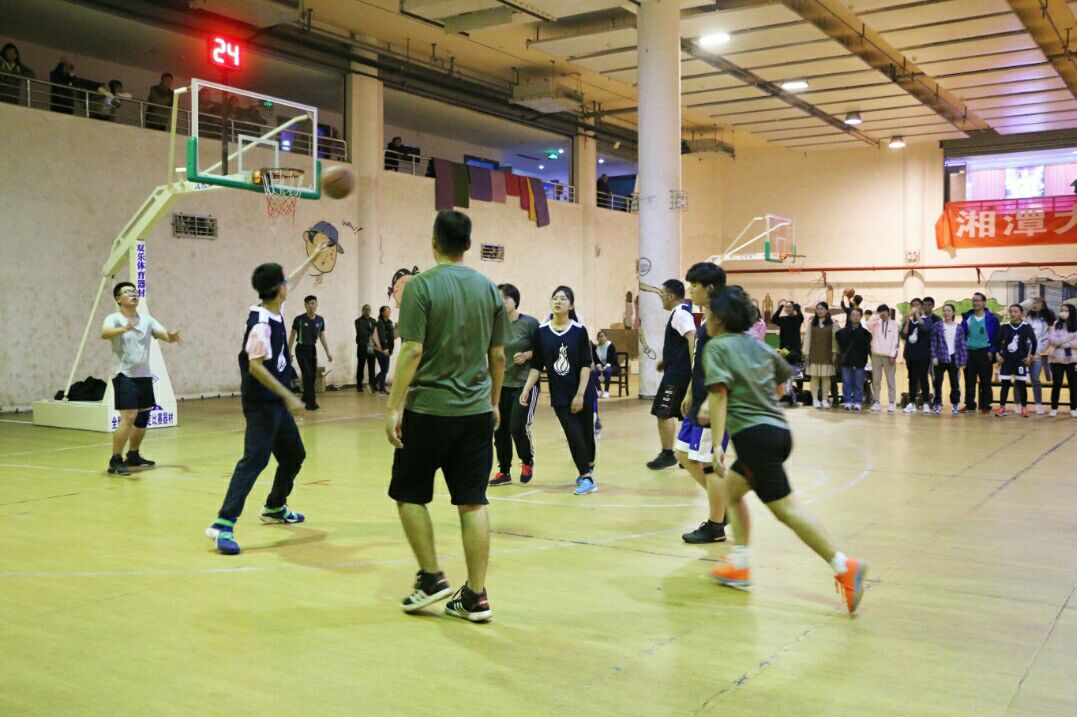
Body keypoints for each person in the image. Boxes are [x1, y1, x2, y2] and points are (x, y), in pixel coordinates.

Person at [703, 286, 866, 615]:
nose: (705, 318)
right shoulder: (758, 345)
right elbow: (781, 385)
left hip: (754, 439)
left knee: (786, 511)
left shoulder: (717, 347)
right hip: (778, 432)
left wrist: (717, 444)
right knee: (731, 491)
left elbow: (719, 396)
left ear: (718, 318)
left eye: (707, 312)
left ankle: (843, 565)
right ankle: (740, 565)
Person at [385, 210, 506, 622]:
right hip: (476, 413)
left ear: (434, 240)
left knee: (409, 494)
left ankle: (431, 577)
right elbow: (498, 355)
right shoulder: (489, 289)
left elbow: (412, 350)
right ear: (468, 245)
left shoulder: (420, 286)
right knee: (473, 501)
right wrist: (493, 403)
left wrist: (394, 406)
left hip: (428, 411)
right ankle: (475, 596)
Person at [205, 245, 331, 555]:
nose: (289, 284)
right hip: (262, 404)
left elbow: (293, 278)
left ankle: (274, 507)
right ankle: (223, 523)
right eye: (284, 283)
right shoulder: (261, 324)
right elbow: (255, 367)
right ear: (279, 290)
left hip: (275, 403)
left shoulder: (274, 308)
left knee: (294, 455)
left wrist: (313, 256)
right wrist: (289, 396)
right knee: (255, 460)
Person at [520, 286, 598, 495]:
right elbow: (536, 365)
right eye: (555, 298)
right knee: (573, 435)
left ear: (571, 305)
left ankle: (588, 466)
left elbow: (586, 365)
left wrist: (580, 394)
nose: (558, 301)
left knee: (586, 435)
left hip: (582, 391)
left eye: (563, 299)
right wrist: (526, 389)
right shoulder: (542, 332)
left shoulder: (579, 331)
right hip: (560, 394)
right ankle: (586, 477)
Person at [99, 282, 181, 476]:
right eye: (127, 292)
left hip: (144, 375)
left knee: (143, 417)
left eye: (134, 291)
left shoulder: (147, 320)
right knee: (128, 417)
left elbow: (164, 335)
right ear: (118, 299)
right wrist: (123, 329)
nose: (133, 294)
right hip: (124, 374)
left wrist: (171, 337)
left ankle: (133, 455)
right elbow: (104, 333)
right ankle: (115, 460)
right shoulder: (114, 318)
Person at [675, 262, 729, 544]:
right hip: (698, 399)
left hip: (713, 403)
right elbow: (699, 362)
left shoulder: (722, 322)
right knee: (682, 453)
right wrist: (689, 392)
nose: (691, 291)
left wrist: (712, 400)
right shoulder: (706, 320)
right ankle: (723, 506)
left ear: (710, 288)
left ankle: (716, 525)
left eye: (694, 286)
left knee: (710, 463)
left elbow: (725, 367)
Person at [489, 283, 540, 487]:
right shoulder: (495, 324)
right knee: (499, 428)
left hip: (524, 383)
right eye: (498, 298)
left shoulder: (530, 324)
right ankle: (504, 471)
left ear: (515, 300)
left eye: (505, 298)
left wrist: (527, 355)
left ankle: (527, 461)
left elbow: (543, 352)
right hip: (501, 384)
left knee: (517, 426)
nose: (501, 302)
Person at [647, 280, 697, 469]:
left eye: (661, 294)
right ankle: (689, 454)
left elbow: (692, 337)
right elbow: (681, 343)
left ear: (670, 296)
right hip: (677, 370)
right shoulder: (681, 313)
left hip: (678, 375)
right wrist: (665, 361)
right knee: (684, 411)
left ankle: (668, 454)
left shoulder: (680, 313)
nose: (661, 298)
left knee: (663, 411)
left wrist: (694, 366)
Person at [289, 295, 332, 411]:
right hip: (301, 349)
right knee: (307, 375)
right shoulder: (299, 319)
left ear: (316, 305)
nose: (311, 306)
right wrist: (288, 351)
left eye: (313, 303)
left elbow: (322, 335)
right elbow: (292, 335)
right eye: (308, 304)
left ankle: (304, 397)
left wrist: (328, 352)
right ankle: (311, 403)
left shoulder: (320, 320)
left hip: (312, 349)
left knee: (312, 376)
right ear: (305, 305)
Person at [994, 304, 1036, 417]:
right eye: (1011, 311)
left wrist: (1030, 356)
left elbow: (1034, 342)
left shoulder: (1026, 327)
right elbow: (997, 341)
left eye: (1016, 311)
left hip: (1020, 361)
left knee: (1021, 385)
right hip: (1006, 360)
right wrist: (997, 354)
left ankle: (1024, 408)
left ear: (1021, 313)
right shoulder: (1004, 326)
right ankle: (1002, 408)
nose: (1013, 313)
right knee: (1005, 385)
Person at [961, 292, 1000, 414]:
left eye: (978, 300)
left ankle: (986, 405)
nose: (975, 303)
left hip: (985, 353)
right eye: (973, 300)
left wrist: (992, 350)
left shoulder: (992, 319)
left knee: (985, 381)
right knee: (969, 380)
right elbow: (961, 336)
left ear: (984, 302)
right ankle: (970, 405)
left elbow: (996, 337)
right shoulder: (967, 318)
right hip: (969, 353)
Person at [931, 303, 967, 415]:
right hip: (940, 357)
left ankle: (955, 404)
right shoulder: (938, 326)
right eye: (944, 311)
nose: (946, 313)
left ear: (953, 313)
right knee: (937, 382)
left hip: (954, 358)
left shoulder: (959, 328)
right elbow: (933, 342)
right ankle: (937, 403)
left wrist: (963, 361)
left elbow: (962, 345)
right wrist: (934, 356)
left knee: (954, 383)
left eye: (948, 311)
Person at [1021, 296, 1055, 415]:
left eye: (1037, 303)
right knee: (1020, 379)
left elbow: (1048, 336)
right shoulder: (1027, 316)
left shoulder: (1048, 317)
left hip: (1038, 353)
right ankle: (1019, 404)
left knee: (1035, 379)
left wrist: (1037, 351)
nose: (1034, 305)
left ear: (1043, 305)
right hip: (1024, 352)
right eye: (1033, 303)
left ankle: (1038, 404)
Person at [901, 299, 932, 414]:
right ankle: (911, 403)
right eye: (913, 305)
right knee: (912, 379)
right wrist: (907, 321)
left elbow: (925, 329)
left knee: (923, 379)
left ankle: (926, 403)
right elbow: (904, 335)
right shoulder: (909, 321)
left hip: (923, 356)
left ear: (921, 307)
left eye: (917, 305)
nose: (914, 307)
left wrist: (918, 315)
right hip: (910, 355)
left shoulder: (926, 319)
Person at [836, 308, 872, 410]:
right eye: (853, 315)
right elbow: (839, 342)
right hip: (846, 361)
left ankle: (857, 401)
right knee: (846, 382)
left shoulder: (866, 333)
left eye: (857, 315)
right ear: (850, 317)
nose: (855, 317)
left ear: (860, 317)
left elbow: (868, 348)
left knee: (859, 382)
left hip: (860, 361)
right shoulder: (842, 332)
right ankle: (847, 401)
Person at [803, 302, 837, 409]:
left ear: (826, 310)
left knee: (826, 378)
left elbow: (835, 339)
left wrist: (835, 353)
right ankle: (815, 399)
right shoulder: (811, 323)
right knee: (814, 377)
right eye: (818, 309)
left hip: (827, 354)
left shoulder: (832, 322)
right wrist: (806, 353)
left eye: (822, 309)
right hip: (814, 353)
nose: (819, 311)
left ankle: (824, 400)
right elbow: (807, 339)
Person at [1046, 304, 1077, 417]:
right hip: (1057, 360)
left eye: (1066, 310)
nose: (1063, 312)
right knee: (1056, 384)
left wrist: (1065, 343)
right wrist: (1068, 340)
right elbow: (1052, 339)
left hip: (1073, 360)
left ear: (1072, 312)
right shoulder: (1055, 325)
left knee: (1074, 385)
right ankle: (1054, 408)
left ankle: (1073, 408)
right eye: (1062, 310)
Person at [771, 300, 804, 407]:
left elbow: (801, 317)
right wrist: (780, 308)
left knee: (797, 373)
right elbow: (773, 319)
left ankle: (799, 394)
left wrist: (798, 308)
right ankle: (786, 394)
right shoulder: (783, 319)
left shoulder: (797, 318)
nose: (787, 309)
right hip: (784, 348)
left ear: (793, 308)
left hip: (795, 349)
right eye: (786, 307)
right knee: (785, 371)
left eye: (790, 307)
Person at [867, 304, 899, 413]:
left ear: (888, 312)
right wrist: (877, 315)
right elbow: (868, 323)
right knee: (876, 380)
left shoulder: (894, 324)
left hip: (888, 356)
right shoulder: (876, 324)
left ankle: (891, 402)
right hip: (876, 355)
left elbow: (895, 340)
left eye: (884, 311)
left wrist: (892, 355)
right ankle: (876, 402)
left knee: (890, 380)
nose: (882, 313)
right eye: (880, 311)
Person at [354, 304, 378, 393]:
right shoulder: (358, 321)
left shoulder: (373, 320)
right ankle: (359, 385)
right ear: (362, 310)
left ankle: (372, 385)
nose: (367, 311)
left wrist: (371, 332)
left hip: (371, 346)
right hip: (362, 346)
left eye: (369, 309)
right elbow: (361, 332)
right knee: (361, 366)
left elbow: (375, 333)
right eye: (365, 309)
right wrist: (371, 331)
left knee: (372, 367)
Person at [373, 306, 396, 395]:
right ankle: (382, 389)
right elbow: (382, 337)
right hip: (380, 349)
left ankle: (373, 384)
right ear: (382, 312)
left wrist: (391, 349)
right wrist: (385, 348)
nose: (389, 312)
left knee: (384, 370)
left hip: (387, 349)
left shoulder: (390, 323)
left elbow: (391, 337)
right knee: (384, 370)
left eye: (389, 311)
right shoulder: (380, 323)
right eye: (387, 311)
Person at [593, 330, 619, 398]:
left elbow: (613, 360)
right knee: (593, 372)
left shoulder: (611, 346)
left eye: (602, 336)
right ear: (597, 338)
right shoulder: (596, 348)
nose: (601, 338)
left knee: (607, 371)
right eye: (599, 337)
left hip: (613, 366)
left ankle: (606, 391)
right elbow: (596, 360)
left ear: (606, 337)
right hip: (602, 366)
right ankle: (599, 390)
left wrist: (605, 367)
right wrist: (598, 366)